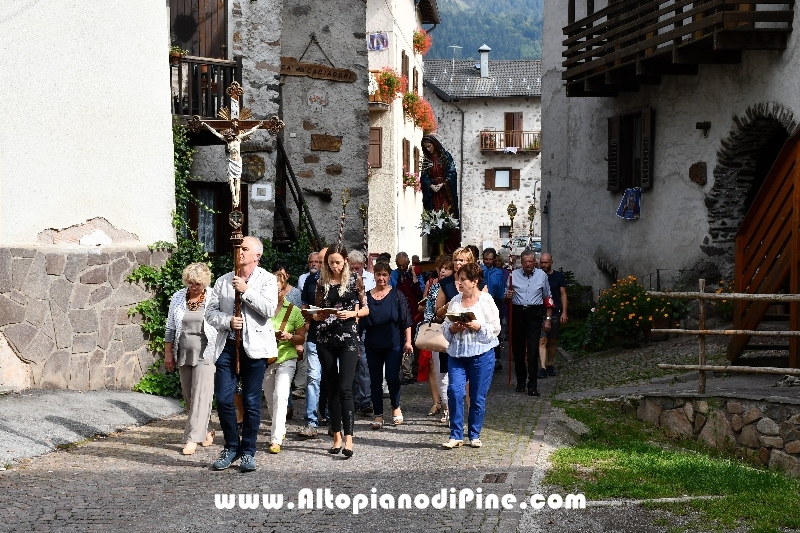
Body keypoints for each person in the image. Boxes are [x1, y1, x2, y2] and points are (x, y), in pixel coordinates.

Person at [206, 236, 278, 472]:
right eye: (238, 248)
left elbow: (268, 310)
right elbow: (211, 313)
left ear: (257, 255)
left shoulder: (267, 280)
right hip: (227, 346)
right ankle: (230, 446)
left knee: (251, 401)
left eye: (245, 249)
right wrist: (228, 321)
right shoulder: (223, 281)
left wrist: (246, 291)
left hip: (254, 349)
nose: (240, 252)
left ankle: (248, 451)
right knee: (225, 399)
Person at [312, 245, 369, 458]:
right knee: (332, 387)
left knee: (346, 388)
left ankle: (349, 439)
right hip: (325, 337)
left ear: (345, 260)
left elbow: (365, 308)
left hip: (348, 336)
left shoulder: (355, 280)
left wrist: (352, 314)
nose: (334, 266)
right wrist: (315, 315)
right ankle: (336, 436)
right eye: (330, 262)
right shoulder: (321, 281)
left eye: (337, 262)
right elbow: (317, 310)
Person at [441, 262, 501, 449]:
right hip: (457, 354)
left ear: (474, 281)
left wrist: (478, 326)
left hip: (481, 354)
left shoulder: (486, 300)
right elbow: (444, 328)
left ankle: (474, 434)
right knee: (455, 391)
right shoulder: (455, 301)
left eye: (462, 280)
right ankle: (455, 435)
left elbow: (496, 327)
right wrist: (452, 327)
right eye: (458, 279)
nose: (459, 283)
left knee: (476, 397)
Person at [164, 263, 218, 456]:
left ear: (204, 282)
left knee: (201, 395)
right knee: (190, 397)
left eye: (197, 283)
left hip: (207, 352)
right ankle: (207, 428)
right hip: (184, 352)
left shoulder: (213, 296)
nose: (193, 287)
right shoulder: (178, 297)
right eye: (190, 283)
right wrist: (168, 353)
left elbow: (220, 321)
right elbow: (170, 327)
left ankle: (192, 439)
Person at [360, 262, 413, 429]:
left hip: (393, 343)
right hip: (372, 344)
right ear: (374, 276)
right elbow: (359, 323)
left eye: (384, 274)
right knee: (374, 380)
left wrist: (408, 341)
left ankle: (396, 407)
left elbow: (406, 321)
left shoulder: (397, 295)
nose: (381, 278)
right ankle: (378, 414)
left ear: (389, 276)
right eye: (378, 274)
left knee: (392, 377)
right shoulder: (366, 297)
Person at [263, 269, 306, 454]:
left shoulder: (294, 311)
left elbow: (301, 338)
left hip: (287, 358)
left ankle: (275, 438)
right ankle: (280, 428)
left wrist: (290, 337)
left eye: (278, 290)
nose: (275, 293)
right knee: (270, 400)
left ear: (283, 291)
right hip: (266, 359)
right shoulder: (262, 310)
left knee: (281, 396)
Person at [504, 250, 554, 397]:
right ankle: (520, 380)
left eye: (530, 261)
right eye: (525, 261)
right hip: (518, 313)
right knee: (518, 351)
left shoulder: (542, 276)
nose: (528, 264)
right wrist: (507, 297)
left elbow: (547, 297)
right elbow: (506, 299)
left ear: (534, 262)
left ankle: (532, 385)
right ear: (521, 262)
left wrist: (548, 319)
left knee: (532, 350)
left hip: (535, 314)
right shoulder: (513, 275)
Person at [419, 255, 453, 424]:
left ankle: (449, 405)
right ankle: (439, 403)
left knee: (447, 369)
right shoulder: (432, 285)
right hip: (432, 328)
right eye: (440, 268)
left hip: (447, 328)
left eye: (446, 268)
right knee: (435, 367)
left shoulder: (453, 286)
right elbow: (424, 305)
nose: (442, 271)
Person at [298, 246, 327, 439]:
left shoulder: (343, 281)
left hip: (336, 338)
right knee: (313, 378)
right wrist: (310, 318)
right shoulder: (310, 280)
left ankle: (333, 417)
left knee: (333, 379)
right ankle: (311, 421)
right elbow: (304, 308)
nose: (323, 264)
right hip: (315, 337)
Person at [349, 250, 375, 416]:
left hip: (365, 326)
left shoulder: (370, 280)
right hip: (349, 325)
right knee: (351, 365)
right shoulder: (345, 279)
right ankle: (352, 400)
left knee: (364, 364)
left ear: (363, 266)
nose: (355, 271)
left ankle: (365, 400)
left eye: (357, 269)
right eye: (352, 268)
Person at [537, 253, 568, 378]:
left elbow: (563, 294)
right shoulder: (537, 276)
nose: (543, 264)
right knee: (542, 340)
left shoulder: (558, 276)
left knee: (553, 340)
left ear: (551, 262)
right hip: (541, 312)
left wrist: (564, 312)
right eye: (542, 262)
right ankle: (543, 367)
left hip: (555, 312)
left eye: (546, 262)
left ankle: (550, 364)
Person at [420, 135, 459, 218]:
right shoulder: (427, 160)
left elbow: (452, 173)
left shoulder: (446, 156)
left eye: (429, 146)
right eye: (426, 147)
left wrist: (442, 184)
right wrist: (430, 185)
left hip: (445, 189)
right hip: (433, 191)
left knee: (447, 211)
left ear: (434, 144)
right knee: (434, 212)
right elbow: (424, 176)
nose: (428, 149)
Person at [482, 248, 506, 372]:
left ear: (494, 259)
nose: (488, 262)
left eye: (490, 259)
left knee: (495, 330)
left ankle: (496, 358)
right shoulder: (479, 270)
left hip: (495, 302)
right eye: (486, 259)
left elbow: (501, 289)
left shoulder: (498, 272)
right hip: (481, 302)